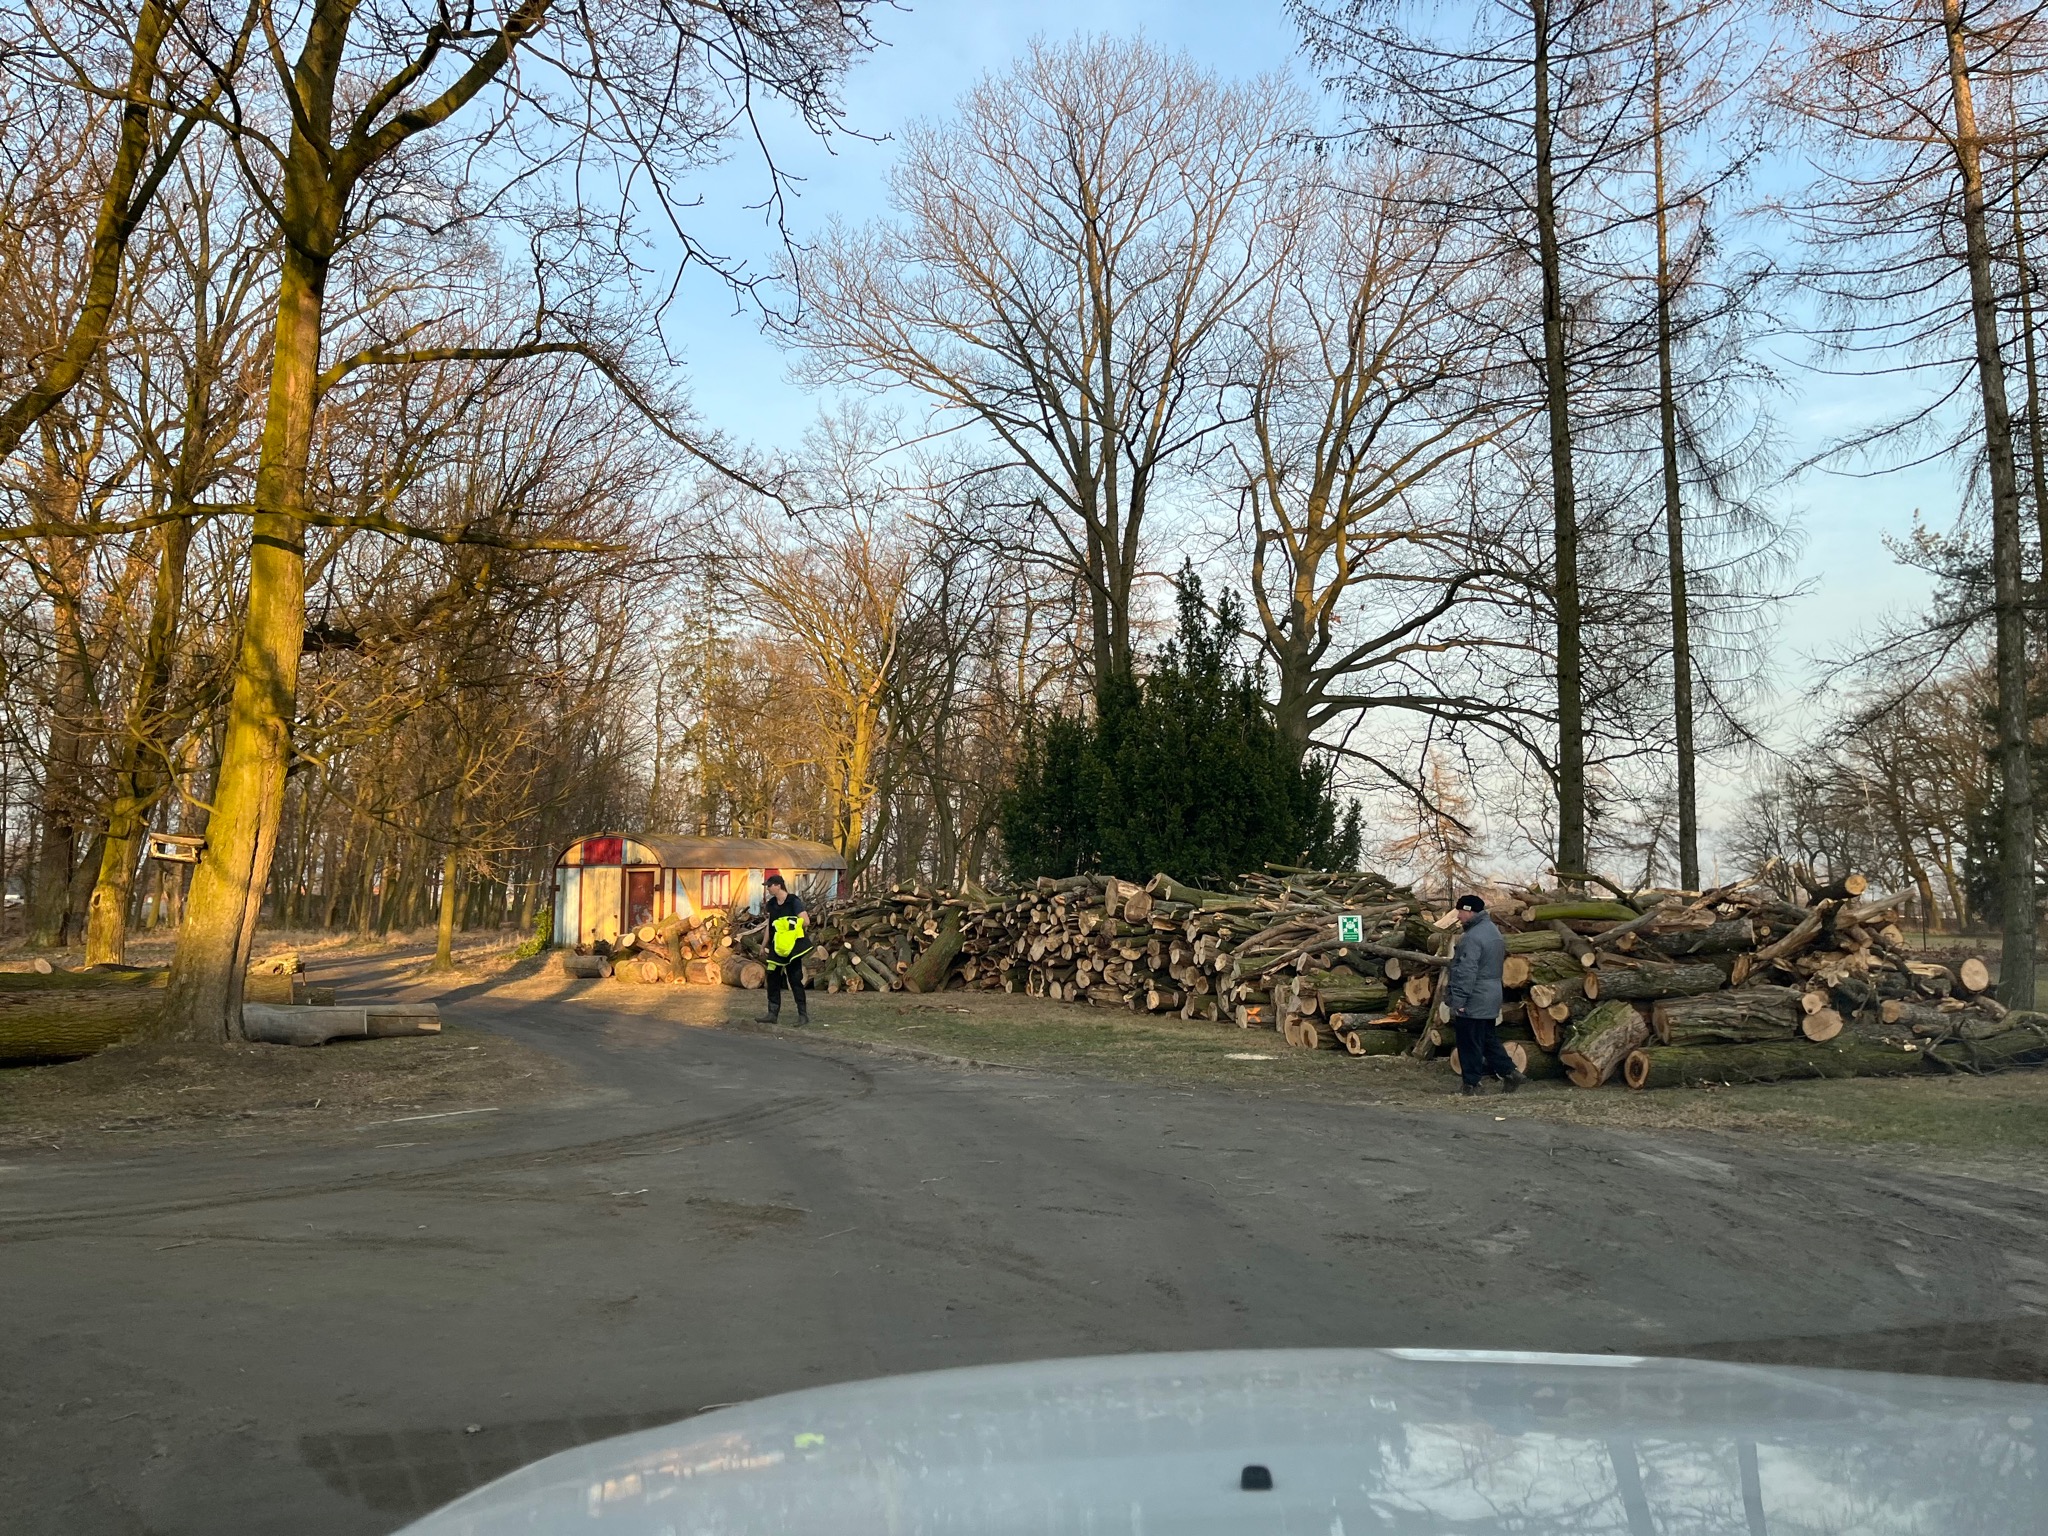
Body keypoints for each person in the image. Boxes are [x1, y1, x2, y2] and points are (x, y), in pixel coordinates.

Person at [1447, 893, 1523, 1096]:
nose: (1458, 916)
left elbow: (1466, 970)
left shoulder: (1472, 938)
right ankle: (1510, 1073)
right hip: (1491, 994)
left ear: (1470, 911)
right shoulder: (1493, 932)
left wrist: (1460, 999)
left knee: (1468, 1041)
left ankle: (1470, 1085)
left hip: (1475, 996)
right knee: (1487, 1039)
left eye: (1461, 911)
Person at [756, 874, 812, 1026]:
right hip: (776, 948)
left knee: (795, 980)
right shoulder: (772, 904)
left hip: (793, 948)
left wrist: (789, 925)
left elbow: (806, 921)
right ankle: (772, 1013)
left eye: (769, 886)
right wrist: (763, 944)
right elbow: (770, 925)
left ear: (778, 885)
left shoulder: (793, 901)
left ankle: (802, 1015)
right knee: (772, 978)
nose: (767, 888)